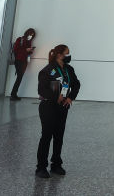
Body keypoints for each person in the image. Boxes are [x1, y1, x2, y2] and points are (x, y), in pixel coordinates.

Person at [36, 44, 80, 178]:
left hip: (62, 107)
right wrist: (57, 96)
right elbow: (42, 90)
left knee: (59, 137)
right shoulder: (47, 70)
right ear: (59, 55)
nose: (68, 56)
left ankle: (56, 164)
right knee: (46, 136)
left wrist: (70, 97)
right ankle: (41, 167)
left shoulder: (69, 69)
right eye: (67, 53)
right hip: (48, 106)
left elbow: (76, 84)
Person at [10, 28, 36, 100]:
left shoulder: (29, 42)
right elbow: (15, 50)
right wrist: (26, 50)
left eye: (32, 35)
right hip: (19, 61)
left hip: (24, 61)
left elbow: (27, 53)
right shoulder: (20, 39)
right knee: (19, 77)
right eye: (30, 34)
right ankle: (13, 94)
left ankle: (14, 94)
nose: (31, 36)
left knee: (19, 78)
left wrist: (30, 50)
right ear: (27, 33)